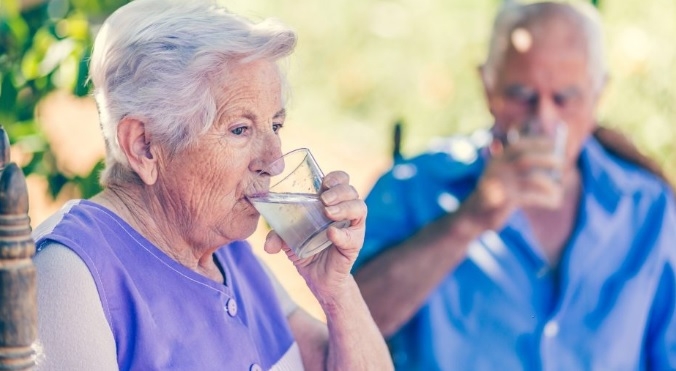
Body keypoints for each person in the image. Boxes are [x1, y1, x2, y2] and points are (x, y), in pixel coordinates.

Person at [31, 0, 393, 370]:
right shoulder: (69, 275)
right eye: (240, 129)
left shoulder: (228, 252)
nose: (275, 161)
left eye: (276, 125)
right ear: (144, 146)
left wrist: (336, 292)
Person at [353, 1, 676, 370]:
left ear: (598, 95)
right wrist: (471, 219)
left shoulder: (648, 208)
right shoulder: (415, 187)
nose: (543, 119)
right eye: (522, 96)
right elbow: (347, 328)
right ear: (488, 87)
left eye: (565, 98)